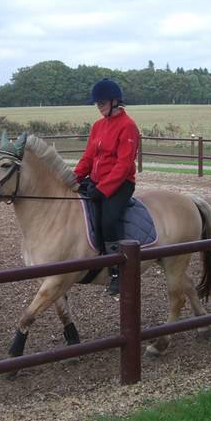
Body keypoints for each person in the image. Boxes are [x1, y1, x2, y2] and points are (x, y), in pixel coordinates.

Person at [74, 78, 140, 296]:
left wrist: (103, 190)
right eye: (97, 103)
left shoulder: (128, 126)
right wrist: (74, 178)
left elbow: (123, 165)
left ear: (114, 101)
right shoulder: (97, 126)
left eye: (102, 102)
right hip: (96, 180)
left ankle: (117, 271)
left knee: (108, 219)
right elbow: (88, 156)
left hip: (120, 184)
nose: (99, 106)